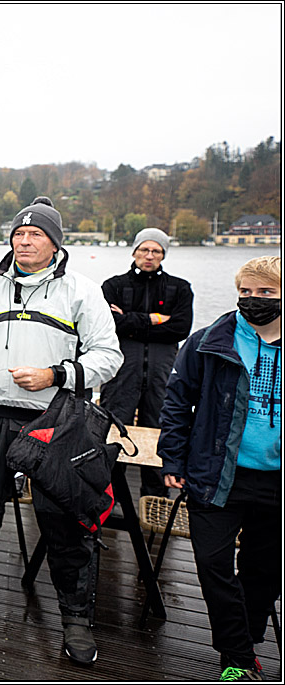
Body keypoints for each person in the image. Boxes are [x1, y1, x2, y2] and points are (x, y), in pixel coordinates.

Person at [0, 197, 123, 666]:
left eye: (35, 234)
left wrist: (56, 374)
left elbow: (109, 356)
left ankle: (75, 616)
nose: (24, 241)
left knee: (63, 520)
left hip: (55, 423)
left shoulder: (81, 291)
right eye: (18, 234)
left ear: (54, 242)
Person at [158, 255, 281, 682]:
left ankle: (242, 646)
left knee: (265, 571)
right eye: (246, 291)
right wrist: (172, 457)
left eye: (266, 292)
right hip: (216, 473)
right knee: (212, 565)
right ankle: (238, 658)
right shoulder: (210, 340)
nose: (253, 300)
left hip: (276, 481)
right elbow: (176, 400)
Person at [100, 228, 193, 497]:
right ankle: (107, 497)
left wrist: (128, 320)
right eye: (144, 249)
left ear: (163, 255)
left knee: (158, 433)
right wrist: (153, 319)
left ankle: (155, 499)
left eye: (156, 251)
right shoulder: (113, 286)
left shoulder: (180, 288)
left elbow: (180, 328)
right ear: (134, 251)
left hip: (161, 375)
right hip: (121, 373)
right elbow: (109, 324)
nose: (149, 256)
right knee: (114, 433)